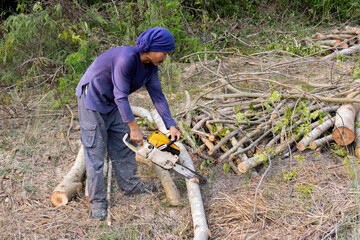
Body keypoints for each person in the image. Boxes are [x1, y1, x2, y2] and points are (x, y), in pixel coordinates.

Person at [75, 27, 182, 220]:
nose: (166, 56)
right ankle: (97, 202)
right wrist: (134, 127)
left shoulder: (151, 68)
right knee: (95, 153)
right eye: (164, 52)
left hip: (113, 103)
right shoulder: (126, 58)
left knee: (122, 147)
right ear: (151, 48)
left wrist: (171, 124)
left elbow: (158, 96)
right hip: (93, 100)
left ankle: (130, 186)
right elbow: (121, 95)